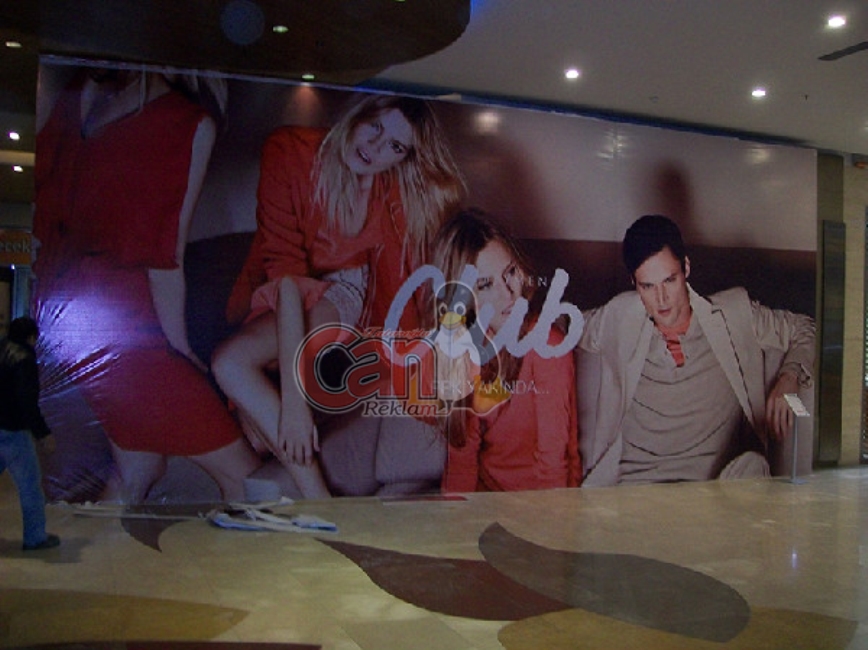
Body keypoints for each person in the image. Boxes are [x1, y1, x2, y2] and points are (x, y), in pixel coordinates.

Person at [212, 93, 465, 499]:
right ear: (358, 115)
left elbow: (406, 289)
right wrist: (294, 405)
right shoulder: (290, 151)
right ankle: (320, 492)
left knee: (231, 362)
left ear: (404, 158)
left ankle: (320, 503)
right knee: (247, 406)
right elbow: (286, 274)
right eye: (375, 127)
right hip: (287, 291)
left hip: (349, 291)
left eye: (395, 146)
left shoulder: (394, 193)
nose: (375, 148)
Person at [33, 67, 261, 503]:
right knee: (249, 481)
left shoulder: (78, 96)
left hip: (75, 325)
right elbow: (164, 259)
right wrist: (181, 351)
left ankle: (89, 549)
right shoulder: (186, 123)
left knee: (137, 469)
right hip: (132, 335)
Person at [578, 214, 815, 486]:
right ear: (634, 284)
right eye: (648, 286)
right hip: (638, 492)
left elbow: (805, 328)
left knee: (752, 468)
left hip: (717, 490)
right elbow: (560, 326)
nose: (662, 299)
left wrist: (789, 377)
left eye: (669, 280)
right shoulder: (618, 317)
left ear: (686, 268)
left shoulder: (733, 313)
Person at [431, 209, 580, 492]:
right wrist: (453, 519)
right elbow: (460, 463)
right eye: (486, 285)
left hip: (542, 499)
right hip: (487, 496)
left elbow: (553, 468)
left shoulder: (548, 345)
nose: (509, 294)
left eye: (510, 272)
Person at [0, 317, 60, 550]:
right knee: (30, 487)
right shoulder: (24, 360)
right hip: (13, 432)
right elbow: (26, 402)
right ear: (31, 337)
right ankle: (35, 537)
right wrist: (42, 433)